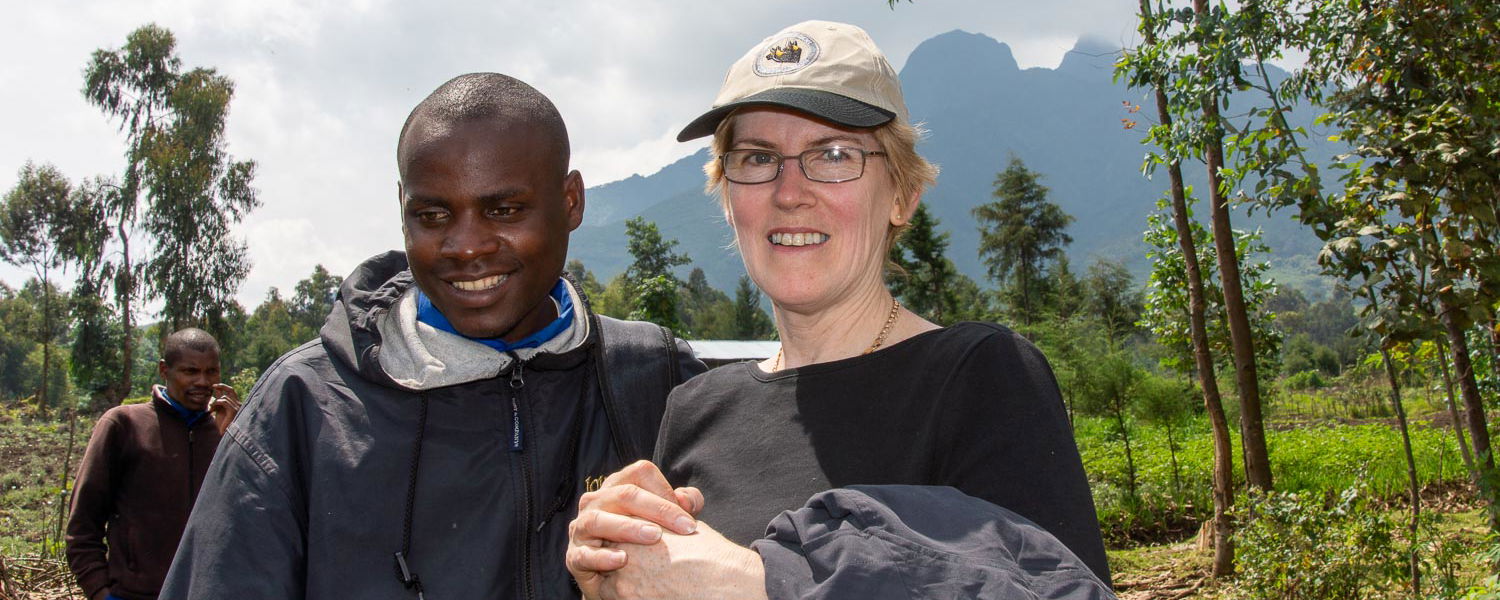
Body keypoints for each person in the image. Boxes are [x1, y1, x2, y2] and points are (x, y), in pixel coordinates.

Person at [567, 21, 1113, 599]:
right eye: (756, 158)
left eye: (832, 154)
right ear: (728, 199)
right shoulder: (696, 407)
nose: (789, 190)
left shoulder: (979, 376)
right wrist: (616, 571)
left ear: (902, 194)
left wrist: (756, 586)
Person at [158, 73, 705, 599]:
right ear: (402, 209)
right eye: (433, 214)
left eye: (505, 209)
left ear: (570, 203)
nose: (466, 246)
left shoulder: (659, 381)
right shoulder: (305, 406)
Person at [66, 327, 241, 600]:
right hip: (135, 593)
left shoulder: (229, 430)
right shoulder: (124, 425)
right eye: (190, 371)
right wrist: (100, 591)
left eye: (212, 372)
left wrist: (235, 438)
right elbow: (82, 526)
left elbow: (247, 517)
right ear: (164, 370)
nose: (203, 382)